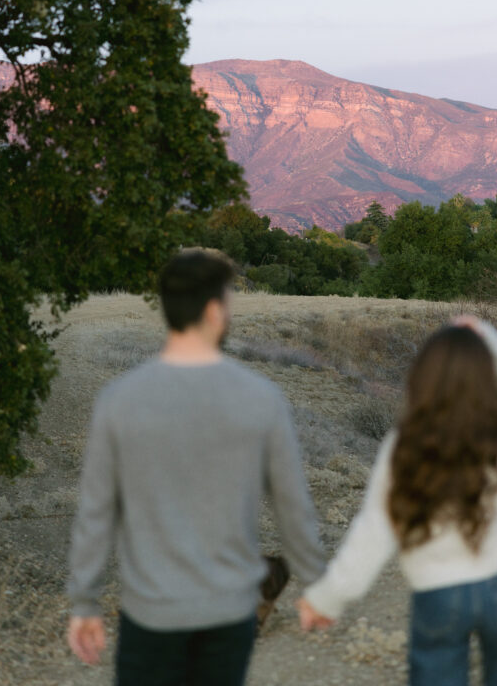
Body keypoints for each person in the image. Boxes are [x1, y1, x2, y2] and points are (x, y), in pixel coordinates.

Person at [67, 248, 325, 686]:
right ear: (213, 310)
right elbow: (291, 506)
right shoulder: (260, 398)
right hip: (228, 614)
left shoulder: (120, 399)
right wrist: (318, 586)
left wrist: (84, 603)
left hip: (149, 614)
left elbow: (96, 512)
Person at [298, 316, 497, 686]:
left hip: (438, 592)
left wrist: (327, 598)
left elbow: (373, 533)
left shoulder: (404, 445)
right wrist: (486, 336)